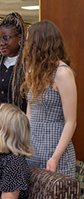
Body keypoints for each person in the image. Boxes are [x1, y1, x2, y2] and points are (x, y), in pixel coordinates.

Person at [21, 20, 77, 177]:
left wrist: (55, 157)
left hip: (55, 150)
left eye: (28, 41)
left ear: (40, 43)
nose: (25, 45)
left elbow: (71, 122)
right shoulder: (32, 72)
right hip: (33, 149)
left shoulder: (63, 73)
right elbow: (29, 115)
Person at [0, 12, 27, 145]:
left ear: (19, 38)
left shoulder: (27, 64)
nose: (1, 43)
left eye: (6, 38)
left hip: (15, 131)